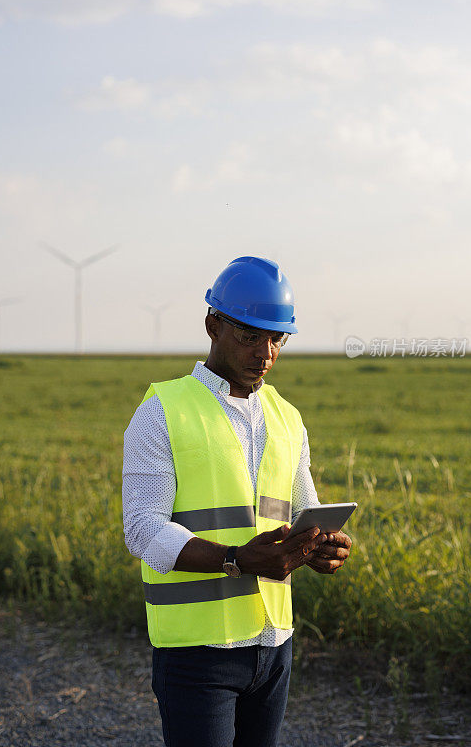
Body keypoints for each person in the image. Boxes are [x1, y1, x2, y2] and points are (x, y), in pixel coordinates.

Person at [122, 256, 352, 747]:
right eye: (250, 335)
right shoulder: (162, 410)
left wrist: (317, 546)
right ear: (212, 325)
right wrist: (237, 559)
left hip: (274, 643)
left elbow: (300, 508)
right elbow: (142, 528)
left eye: (277, 339)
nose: (264, 352)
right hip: (196, 650)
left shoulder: (288, 417)